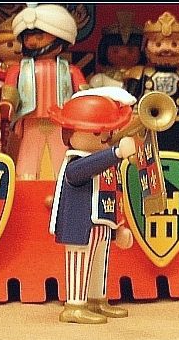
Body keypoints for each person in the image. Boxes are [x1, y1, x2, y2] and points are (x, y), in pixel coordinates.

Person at [48, 87, 137, 324]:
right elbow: (82, 171)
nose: (105, 137)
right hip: (81, 226)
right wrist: (115, 153)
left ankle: (97, 300)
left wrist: (119, 227)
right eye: (98, 132)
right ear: (70, 133)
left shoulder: (108, 164)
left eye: (108, 132)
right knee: (79, 263)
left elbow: (115, 195)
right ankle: (75, 305)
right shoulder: (76, 162)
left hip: (104, 225)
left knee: (100, 265)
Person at [1, 4, 86, 180]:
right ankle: (26, 182)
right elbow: (10, 92)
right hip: (30, 120)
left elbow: (82, 94)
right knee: (28, 155)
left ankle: (62, 182)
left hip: (61, 122)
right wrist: (7, 104)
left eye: (39, 36)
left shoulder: (70, 70)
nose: (32, 41)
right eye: (28, 36)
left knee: (61, 154)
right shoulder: (19, 69)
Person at [123, 12, 179, 153]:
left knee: (178, 151)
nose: (166, 49)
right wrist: (126, 114)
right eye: (158, 44)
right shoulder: (139, 72)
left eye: (174, 44)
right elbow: (129, 98)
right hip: (146, 121)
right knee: (149, 150)